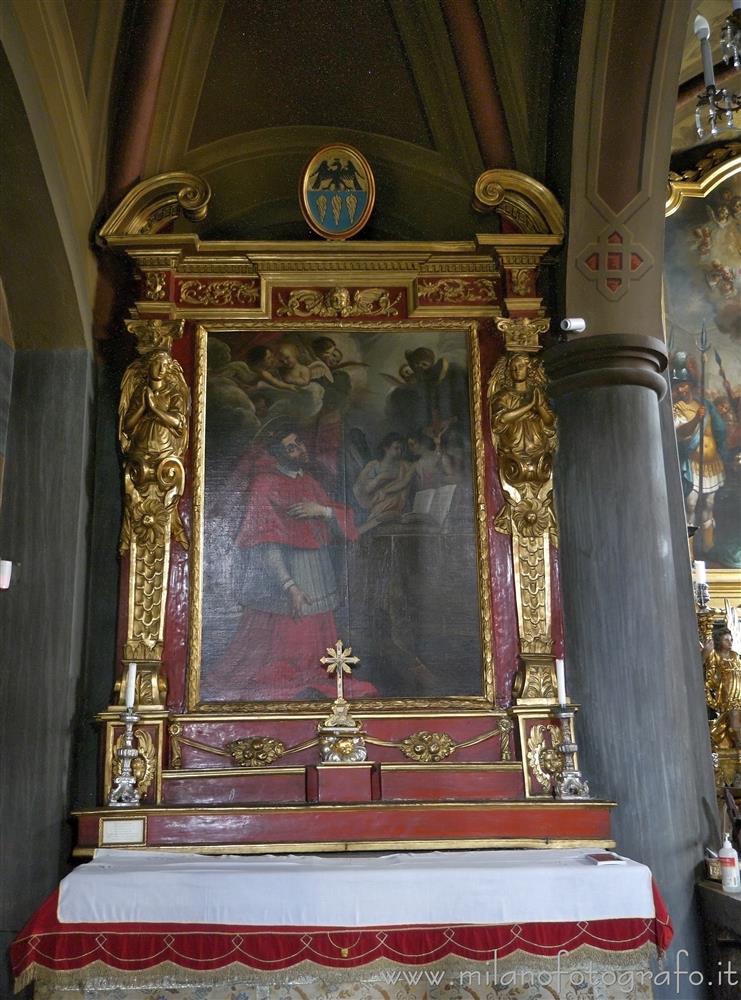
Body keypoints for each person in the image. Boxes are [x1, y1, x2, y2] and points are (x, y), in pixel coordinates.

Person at [207, 430, 376, 701]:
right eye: (291, 447)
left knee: (317, 648)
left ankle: (312, 675)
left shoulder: (308, 481)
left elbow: (338, 513)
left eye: (299, 443)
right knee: (285, 648)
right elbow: (264, 541)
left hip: (316, 570)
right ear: (276, 454)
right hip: (282, 575)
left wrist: (323, 511)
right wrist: (290, 586)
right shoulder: (264, 484)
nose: (300, 449)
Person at [671, 361, 726, 554]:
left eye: (684, 384)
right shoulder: (677, 408)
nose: (681, 388)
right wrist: (696, 419)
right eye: (678, 385)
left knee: (709, 503)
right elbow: (680, 432)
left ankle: (709, 547)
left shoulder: (705, 405)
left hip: (711, 463)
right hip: (693, 463)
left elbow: (720, 430)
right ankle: (689, 550)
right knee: (691, 504)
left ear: (691, 385)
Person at [353, 432, 416, 534]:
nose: (399, 451)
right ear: (386, 448)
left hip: (399, 512)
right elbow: (362, 489)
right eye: (396, 448)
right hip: (377, 511)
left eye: (401, 448)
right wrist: (380, 478)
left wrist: (386, 490)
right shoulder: (373, 466)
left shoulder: (405, 467)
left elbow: (405, 485)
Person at [705, 627, 741, 750]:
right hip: (728, 696)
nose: (730, 642)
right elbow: (710, 678)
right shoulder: (715, 655)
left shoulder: (735, 656)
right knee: (735, 726)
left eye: (731, 640)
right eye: (726, 640)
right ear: (719, 641)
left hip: (739, 691)